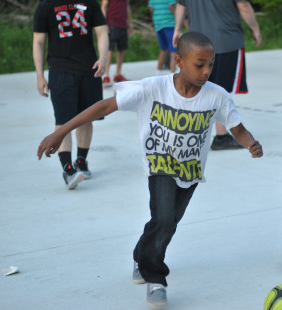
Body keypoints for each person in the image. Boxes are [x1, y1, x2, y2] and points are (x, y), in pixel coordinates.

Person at [37, 32, 263, 307]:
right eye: (199, 64)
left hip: (189, 172)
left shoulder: (217, 96)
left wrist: (250, 142)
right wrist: (61, 131)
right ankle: (155, 277)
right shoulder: (153, 88)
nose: (206, 71)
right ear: (179, 60)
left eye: (210, 65)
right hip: (160, 167)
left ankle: (139, 256)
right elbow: (103, 105)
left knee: (166, 223)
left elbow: (236, 127)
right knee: (164, 219)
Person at [33, 0, 109, 189]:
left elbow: (101, 32)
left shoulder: (90, 3)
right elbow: (39, 42)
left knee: (87, 118)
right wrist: (40, 75)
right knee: (63, 121)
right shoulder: (45, 6)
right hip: (61, 71)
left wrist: (104, 58)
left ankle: (81, 161)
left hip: (89, 69)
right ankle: (68, 169)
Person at [173, 0, 262, 150]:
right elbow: (243, 5)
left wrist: (177, 29)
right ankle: (221, 136)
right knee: (220, 89)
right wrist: (255, 28)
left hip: (197, 45)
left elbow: (181, 5)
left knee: (200, 89)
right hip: (225, 41)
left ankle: (185, 133)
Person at [101, 0, 133, 86]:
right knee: (110, 50)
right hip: (112, 23)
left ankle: (118, 74)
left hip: (123, 24)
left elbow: (127, 6)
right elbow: (104, 6)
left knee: (122, 49)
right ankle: (105, 75)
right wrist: (104, 23)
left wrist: (130, 23)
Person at [148, 0, 177, 76]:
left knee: (163, 49)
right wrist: (182, 19)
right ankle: (172, 74)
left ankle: (158, 72)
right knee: (173, 50)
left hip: (158, 25)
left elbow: (151, 9)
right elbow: (171, 7)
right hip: (169, 24)